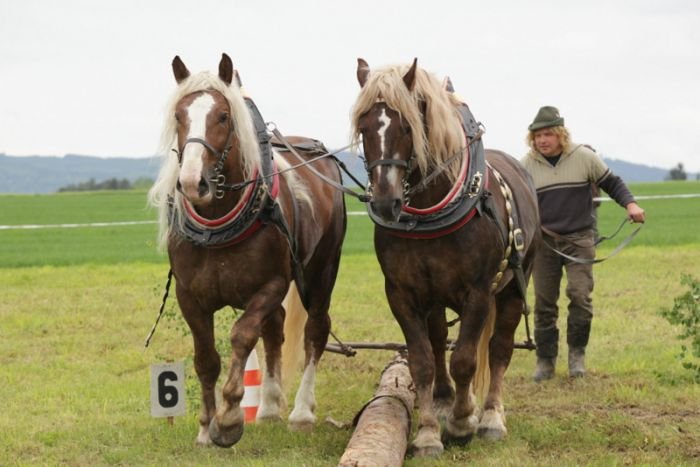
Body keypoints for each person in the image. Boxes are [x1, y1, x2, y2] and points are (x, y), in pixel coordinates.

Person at [520, 106, 645, 381]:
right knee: (543, 303)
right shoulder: (526, 165)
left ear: (560, 134)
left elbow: (613, 183)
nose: (542, 140)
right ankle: (545, 361)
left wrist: (631, 204)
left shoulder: (584, 157)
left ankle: (577, 356)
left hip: (579, 239)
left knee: (579, 296)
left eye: (548, 134)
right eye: (538, 135)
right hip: (544, 243)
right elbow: (518, 203)